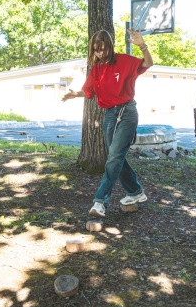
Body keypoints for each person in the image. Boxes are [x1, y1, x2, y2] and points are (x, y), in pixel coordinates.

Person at [62, 29, 153, 217]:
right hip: (110, 114)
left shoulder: (124, 60)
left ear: (110, 46)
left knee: (114, 157)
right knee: (115, 156)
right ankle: (135, 192)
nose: (100, 53)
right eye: (96, 50)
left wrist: (142, 46)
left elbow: (148, 63)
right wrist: (74, 94)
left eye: (103, 49)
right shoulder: (96, 70)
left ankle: (100, 202)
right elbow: (89, 91)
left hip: (127, 112)